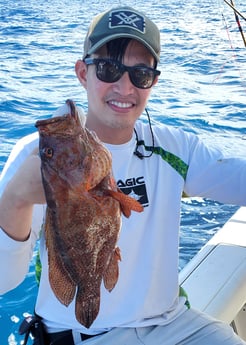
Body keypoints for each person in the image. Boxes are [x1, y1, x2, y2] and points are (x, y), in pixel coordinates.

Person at [0, 5, 245, 345]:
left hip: (172, 324)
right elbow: (2, 281)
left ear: (153, 82)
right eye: (108, 68)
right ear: (83, 73)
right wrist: (16, 199)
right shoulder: (44, 156)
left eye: (140, 74)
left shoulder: (174, 147)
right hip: (82, 335)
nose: (125, 86)